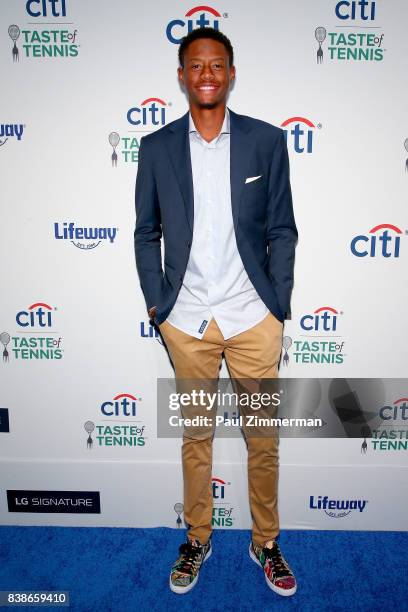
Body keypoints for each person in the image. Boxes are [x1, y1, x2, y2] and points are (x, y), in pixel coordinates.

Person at [134, 27, 298, 597]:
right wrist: (159, 307)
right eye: (196, 66)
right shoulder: (155, 148)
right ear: (182, 77)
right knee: (196, 438)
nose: (207, 74)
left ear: (231, 73)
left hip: (254, 317)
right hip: (188, 322)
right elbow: (145, 232)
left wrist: (278, 305)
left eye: (217, 65)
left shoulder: (266, 143)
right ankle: (198, 537)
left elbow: (282, 229)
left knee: (264, 440)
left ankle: (266, 543)